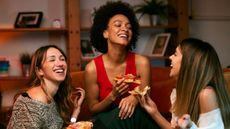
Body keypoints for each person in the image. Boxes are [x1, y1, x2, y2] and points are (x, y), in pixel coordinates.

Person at [84, 1, 159, 129]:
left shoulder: (142, 63)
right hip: (107, 122)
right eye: (118, 25)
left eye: (129, 27)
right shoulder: (92, 68)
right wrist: (112, 96)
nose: (125, 29)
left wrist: (134, 98)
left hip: (137, 120)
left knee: (138, 114)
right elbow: (93, 109)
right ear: (105, 33)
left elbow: (146, 97)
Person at [137, 38, 230, 129]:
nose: (170, 57)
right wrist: (154, 112)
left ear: (188, 62)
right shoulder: (177, 93)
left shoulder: (206, 94)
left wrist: (190, 126)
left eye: (175, 54)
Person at [7, 45, 85, 128]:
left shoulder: (54, 96)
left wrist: (76, 110)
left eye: (62, 59)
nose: (60, 63)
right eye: (52, 60)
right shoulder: (31, 104)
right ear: (40, 70)